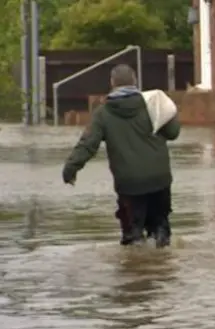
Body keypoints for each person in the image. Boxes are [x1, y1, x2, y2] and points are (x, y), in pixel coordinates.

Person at [62, 64, 181, 248]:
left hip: (129, 184)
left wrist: (70, 169)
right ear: (135, 81)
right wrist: (168, 115)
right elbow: (173, 132)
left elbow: (88, 145)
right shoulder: (152, 104)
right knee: (161, 232)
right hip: (160, 178)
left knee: (132, 239)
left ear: (112, 83)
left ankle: (134, 272)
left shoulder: (103, 113)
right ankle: (162, 272)